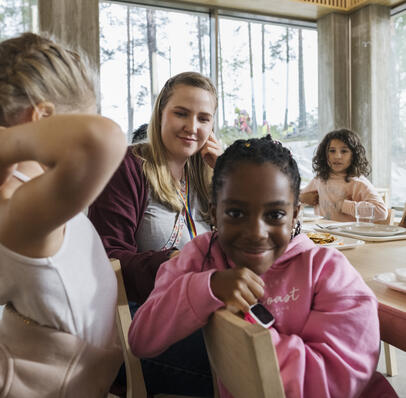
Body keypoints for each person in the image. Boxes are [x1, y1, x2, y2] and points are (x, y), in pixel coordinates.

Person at [128, 136, 381, 398]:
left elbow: (335, 382)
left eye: (275, 215)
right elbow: (141, 339)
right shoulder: (203, 257)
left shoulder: (327, 272)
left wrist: (252, 340)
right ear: (213, 214)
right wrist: (207, 286)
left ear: (295, 215)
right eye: (236, 214)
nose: (256, 233)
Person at [0, 33, 127, 397]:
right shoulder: (20, 206)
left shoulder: (38, 198)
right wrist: (10, 141)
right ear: (42, 120)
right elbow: (101, 139)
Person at [88, 71, 222, 396]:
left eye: (203, 118)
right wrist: (178, 262)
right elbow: (108, 258)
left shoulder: (206, 174)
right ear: (160, 112)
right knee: (249, 368)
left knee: (281, 348)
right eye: (181, 113)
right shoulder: (129, 166)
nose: (192, 127)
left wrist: (229, 174)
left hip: (199, 309)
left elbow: (244, 241)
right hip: (134, 324)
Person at [300, 128, 387, 221]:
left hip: (350, 234)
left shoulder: (358, 183)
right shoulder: (319, 180)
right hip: (322, 234)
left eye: (344, 151)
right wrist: (301, 198)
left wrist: (344, 205)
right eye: (332, 151)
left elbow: (381, 212)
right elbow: (292, 201)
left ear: (354, 155)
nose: (337, 156)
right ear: (325, 154)